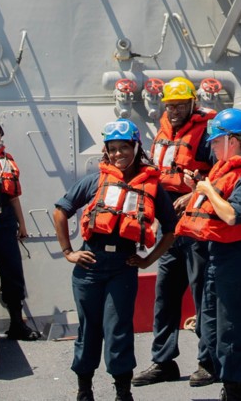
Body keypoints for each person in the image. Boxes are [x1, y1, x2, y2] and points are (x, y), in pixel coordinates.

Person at [53, 120, 178, 401]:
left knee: (119, 329)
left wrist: (148, 260)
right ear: (106, 151)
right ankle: (84, 390)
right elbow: (61, 211)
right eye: (112, 149)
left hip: (122, 267)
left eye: (124, 147)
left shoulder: (152, 187)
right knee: (89, 330)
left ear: (136, 147)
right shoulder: (95, 181)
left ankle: (123, 392)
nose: (119, 154)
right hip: (89, 266)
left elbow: (171, 230)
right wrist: (68, 252)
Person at [175, 108, 241, 401]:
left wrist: (207, 188)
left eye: (216, 142)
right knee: (212, 325)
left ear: (232, 141)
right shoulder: (224, 174)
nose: (211, 147)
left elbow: (231, 215)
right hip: (218, 256)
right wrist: (202, 187)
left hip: (237, 258)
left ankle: (234, 388)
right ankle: (238, 384)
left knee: (229, 328)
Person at [133, 77, 215, 386]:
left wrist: (194, 193)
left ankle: (209, 361)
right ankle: (163, 362)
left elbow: (218, 178)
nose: (175, 111)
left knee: (202, 295)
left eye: (181, 105)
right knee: (165, 296)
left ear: (193, 103)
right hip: (170, 228)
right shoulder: (163, 134)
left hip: (196, 226)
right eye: (171, 106)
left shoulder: (207, 135)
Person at [0, 118, 41, 341]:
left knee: (12, 274)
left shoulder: (7, 160)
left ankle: (17, 323)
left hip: (5, 221)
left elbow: (13, 196)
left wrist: (21, 224)